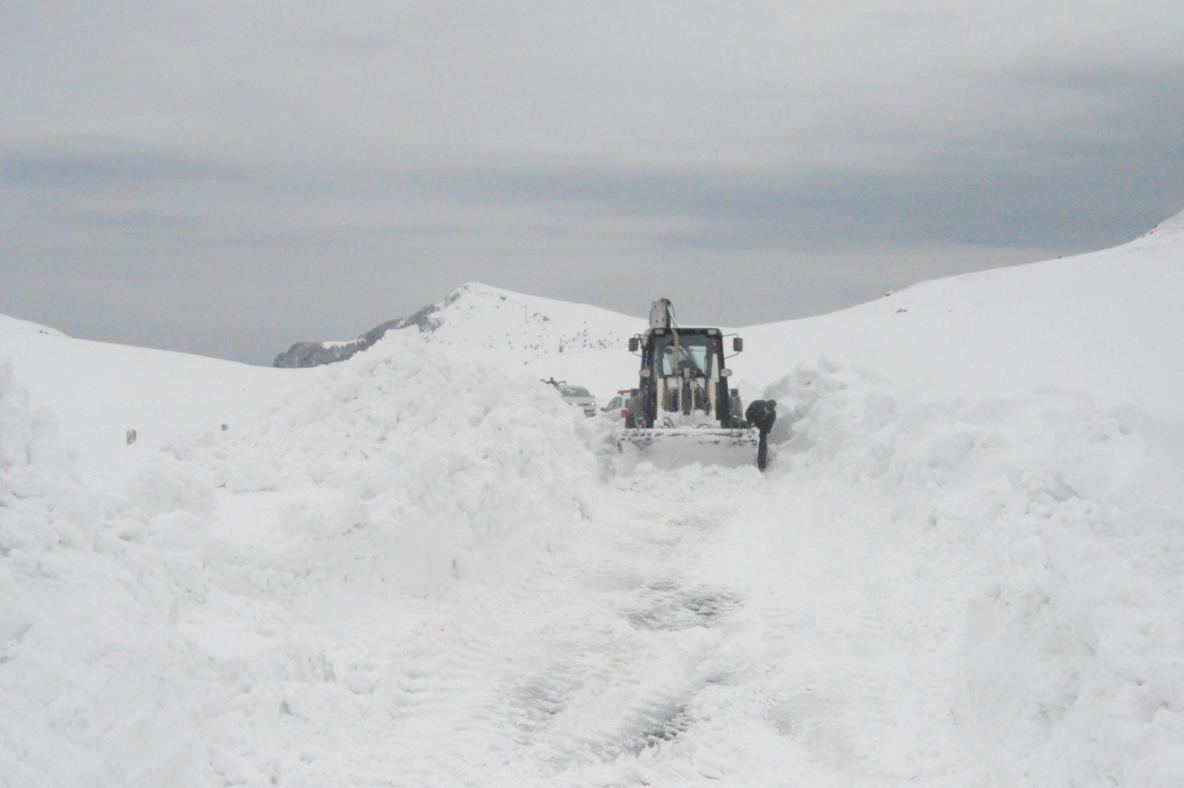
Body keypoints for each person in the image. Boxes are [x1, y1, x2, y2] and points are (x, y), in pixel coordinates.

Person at [744, 400, 777, 471]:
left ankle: (761, 464)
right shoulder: (756, 404)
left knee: (762, 445)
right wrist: (751, 422)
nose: (767, 411)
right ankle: (748, 459)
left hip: (763, 428)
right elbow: (748, 413)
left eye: (769, 410)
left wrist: (763, 430)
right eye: (766, 409)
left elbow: (769, 425)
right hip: (752, 426)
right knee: (750, 442)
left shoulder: (773, 414)